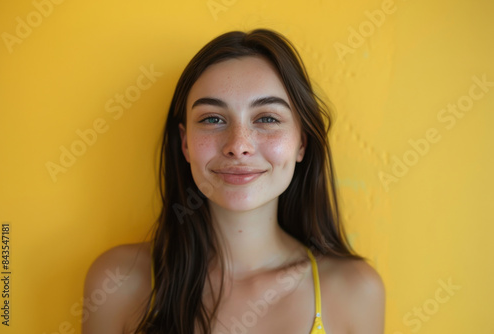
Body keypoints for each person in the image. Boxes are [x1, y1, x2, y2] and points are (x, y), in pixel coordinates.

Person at [82, 28, 385, 334]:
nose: (238, 145)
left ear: (302, 142)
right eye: (212, 119)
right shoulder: (117, 282)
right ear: (185, 144)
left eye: (266, 118)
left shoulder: (357, 291)